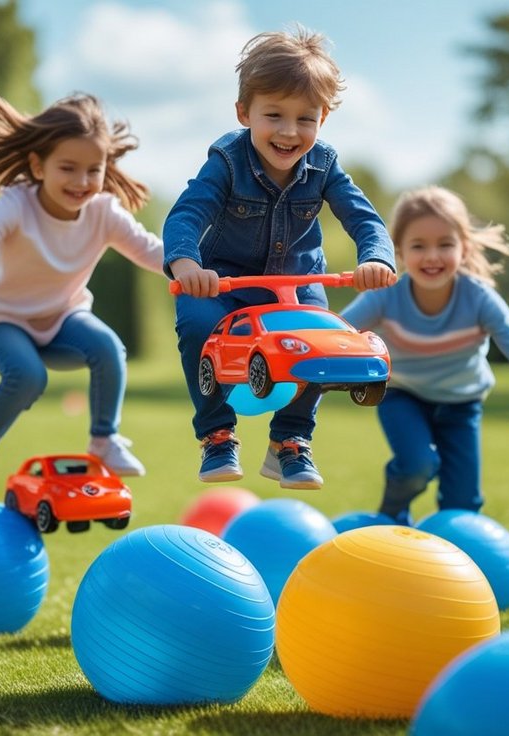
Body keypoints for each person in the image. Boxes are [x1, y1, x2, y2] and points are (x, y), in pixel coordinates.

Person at [164, 27, 397, 490]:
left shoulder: (325, 165)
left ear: (322, 118)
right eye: (274, 115)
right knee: (197, 323)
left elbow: (365, 219)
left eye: (305, 119)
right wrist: (187, 264)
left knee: (322, 338)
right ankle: (216, 434)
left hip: (297, 283)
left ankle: (290, 441)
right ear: (244, 113)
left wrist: (377, 258)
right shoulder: (227, 161)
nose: (289, 132)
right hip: (225, 283)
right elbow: (187, 214)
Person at [0, 92, 164, 503]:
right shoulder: (17, 205)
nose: (81, 182)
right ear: (37, 165)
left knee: (108, 347)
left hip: (64, 320)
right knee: (27, 376)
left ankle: (104, 441)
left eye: (93, 170)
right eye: (68, 168)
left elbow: (152, 251)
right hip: (2, 321)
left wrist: (195, 267)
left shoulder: (104, 212)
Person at [341, 186, 509, 522]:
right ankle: (391, 518)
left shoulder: (479, 299)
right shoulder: (385, 296)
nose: (432, 256)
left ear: (464, 247)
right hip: (402, 396)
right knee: (417, 466)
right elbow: (337, 335)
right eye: (418, 246)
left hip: (461, 405)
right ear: (399, 251)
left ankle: (451, 548)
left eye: (445, 244)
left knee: (463, 505)